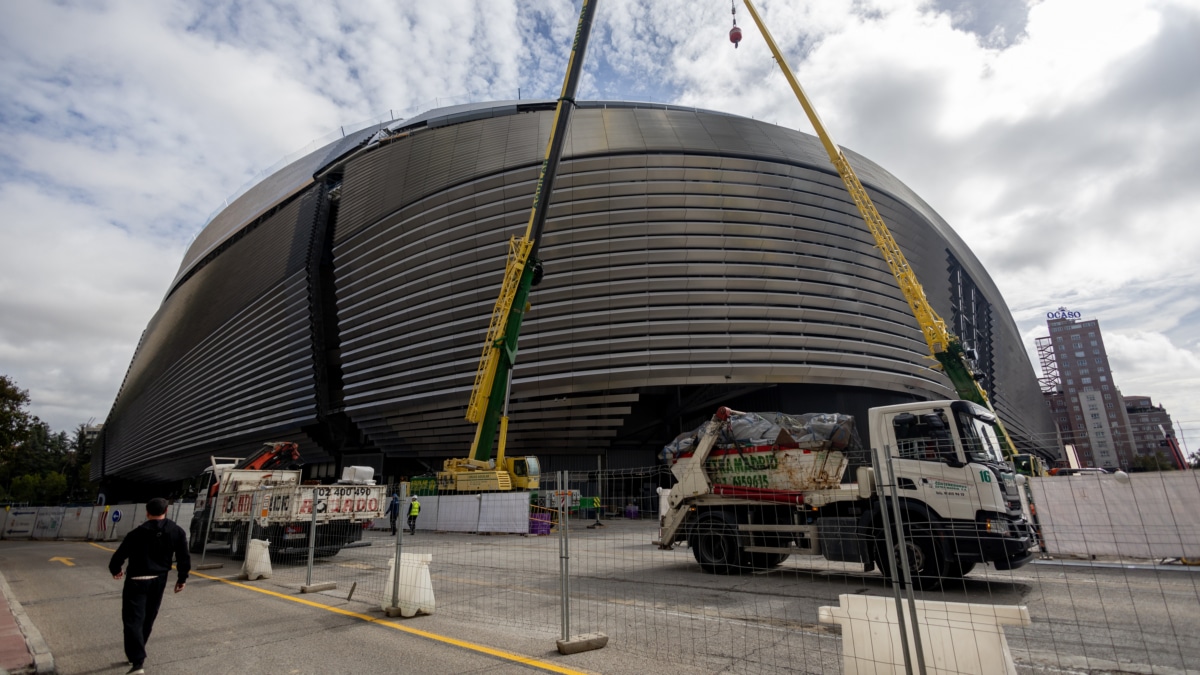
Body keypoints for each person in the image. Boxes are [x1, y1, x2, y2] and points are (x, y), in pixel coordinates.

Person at [109, 497, 191, 675]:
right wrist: (182, 579)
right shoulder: (176, 531)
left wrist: (116, 570)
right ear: (166, 511)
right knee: (148, 618)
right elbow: (184, 557)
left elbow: (119, 555)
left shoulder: (136, 533)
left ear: (147, 513)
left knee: (133, 620)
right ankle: (137, 653)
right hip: (158, 580)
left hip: (136, 580)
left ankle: (137, 661)